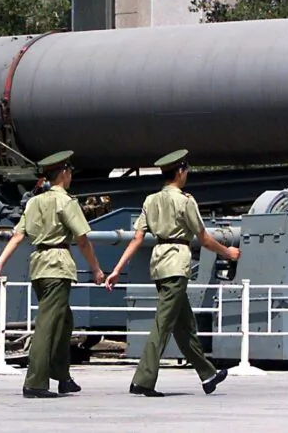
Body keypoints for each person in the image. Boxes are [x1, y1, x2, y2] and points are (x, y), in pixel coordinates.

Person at [104, 149, 240, 397]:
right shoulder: (185, 201)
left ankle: (207, 374)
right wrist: (227, 253)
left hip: (159, 264)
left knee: (184, 325)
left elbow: (136, 238)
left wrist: (116, 270)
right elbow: (204, 238)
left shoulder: (150, 200)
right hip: (177, 264)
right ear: (180, 172)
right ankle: (143, 381)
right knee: (163, 325)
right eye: (185, 171)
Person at [0, 150, 106, 398]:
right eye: (69, 172)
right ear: (63, 173)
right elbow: (82, 240)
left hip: (39, 265)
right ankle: (36, 382)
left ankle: (62, 376)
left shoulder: (34, 202)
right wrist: (96, 269)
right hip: (57, 264)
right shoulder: (66, 202)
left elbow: (18, 235)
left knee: (63, 321)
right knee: (48, 325)